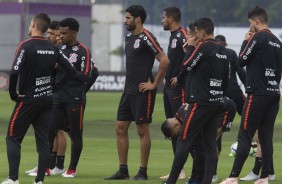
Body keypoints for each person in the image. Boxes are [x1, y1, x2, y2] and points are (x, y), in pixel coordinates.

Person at [0, 12, 81, 184]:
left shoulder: (25, 45)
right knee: (44, 141)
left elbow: (14, 70)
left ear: (34, 25)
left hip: (28, 99)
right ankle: (39, 180)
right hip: (47, 100)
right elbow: (71, 71)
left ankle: (13, 178)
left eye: (30, 24)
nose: (30, 27)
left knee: (13, 138)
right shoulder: (54, 48)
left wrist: (13, 94)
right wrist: (56, 85)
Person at [104, 5, 169, 181]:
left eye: (127, 18)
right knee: (120, 127)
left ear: (137, 19)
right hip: (128, 91)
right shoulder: (127, 38)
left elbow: (164, 60)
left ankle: (142, 171)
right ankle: (123, 170)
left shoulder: (148, 37)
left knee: (142, 130)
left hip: (142, 92)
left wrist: (154, 84)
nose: (124, 21)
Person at [163, 17, 230, 184]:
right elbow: (226, 79)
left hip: (201, 103)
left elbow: (186, 66)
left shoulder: (203, 46)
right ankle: (206, 181)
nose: (195, 36)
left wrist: (189, 49)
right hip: (217, 102)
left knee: (184, 141)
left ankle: (171, 181)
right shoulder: (223, 51)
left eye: (196, 33)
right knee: (209, 145)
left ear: (201, 31)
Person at [220, 6, 282, 184]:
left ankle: (233, 177)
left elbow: (241, 59)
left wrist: (245, 41)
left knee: (245, 134)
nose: (250, 27)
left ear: (256, 21)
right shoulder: (278, 42)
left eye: (250, 24)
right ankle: (264, 178)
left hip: (257, 94)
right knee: (265, 137)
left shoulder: (258, 36)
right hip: (273, 94)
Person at [48, 17, 98, 178]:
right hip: (57, 98)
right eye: (59, 33)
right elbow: (53, 73)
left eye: (64, 33)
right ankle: (48, 167)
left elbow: (85, 76)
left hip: (74, 99)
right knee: (50, 132)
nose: (60, 36)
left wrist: (65, 66)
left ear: (74, 33)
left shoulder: (83, 51)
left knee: (76, 134)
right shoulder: (58, 49)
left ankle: (72, 169)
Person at [25, 20, 68, 176]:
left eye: (51, 33)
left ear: (58, 34)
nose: (49, 35)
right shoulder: (52, 49)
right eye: (48, 32)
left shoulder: (61, 50)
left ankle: (58, 166)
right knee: (51, 130)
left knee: (58, 131)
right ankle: (48, 165)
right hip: (50, 94)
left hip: (61, 96)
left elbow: (72, 73)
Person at [213, 34, 247, 182]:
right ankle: (266, 170)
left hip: (218, 95)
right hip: (235, 94)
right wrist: (250, 90)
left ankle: (212, 173)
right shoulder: (231, 53)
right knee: (253, 126)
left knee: (215, 133)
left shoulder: (212, 52)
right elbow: (242, 74)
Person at [160, 6, 187, 180]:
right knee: (172, 128)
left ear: (170, 18)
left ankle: (182, 169)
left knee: (181, 127)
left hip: (178, 89)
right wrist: (167, 76)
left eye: (163, 17)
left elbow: (190, 58)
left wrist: (180, 76)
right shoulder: (173, 36)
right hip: (168, 87)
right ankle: (178, 169)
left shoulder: (183, 35)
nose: (162, 20)